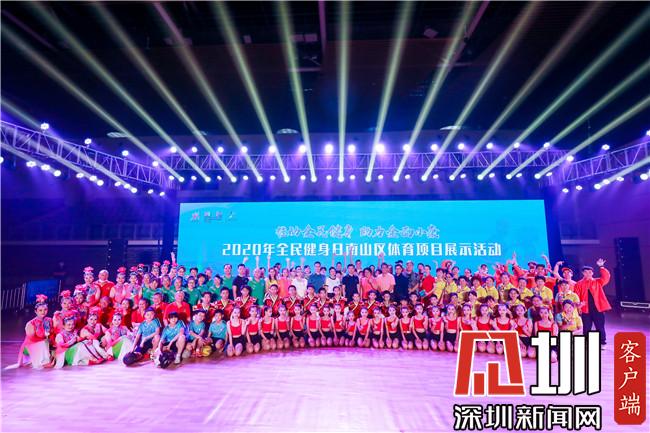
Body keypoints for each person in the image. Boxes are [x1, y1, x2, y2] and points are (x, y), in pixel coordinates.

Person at [574, 259, 610, 346]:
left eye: (590, 272)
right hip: (585, 309)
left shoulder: (598, 281)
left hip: (598, 308)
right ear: (583, 273)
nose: (588, 274)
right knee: (586, 327)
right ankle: (586, 342)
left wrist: (601, 267)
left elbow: (606, 277)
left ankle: (602, 342)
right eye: (586, 272)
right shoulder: (579, 284)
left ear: (592, 273)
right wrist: (579, 307)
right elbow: (577, 297)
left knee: (600, 326)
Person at [17, 294, 54, 369]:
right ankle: (43, 362)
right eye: (40, 310)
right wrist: (44, 338)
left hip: (45, 344)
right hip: (32, 345)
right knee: (44, 342)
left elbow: (52, 333)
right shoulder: (31, 323)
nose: (43, 312)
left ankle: (48, 359)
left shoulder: (49, 320)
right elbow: (31, 339)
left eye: (45, 310)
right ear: (35, 311)